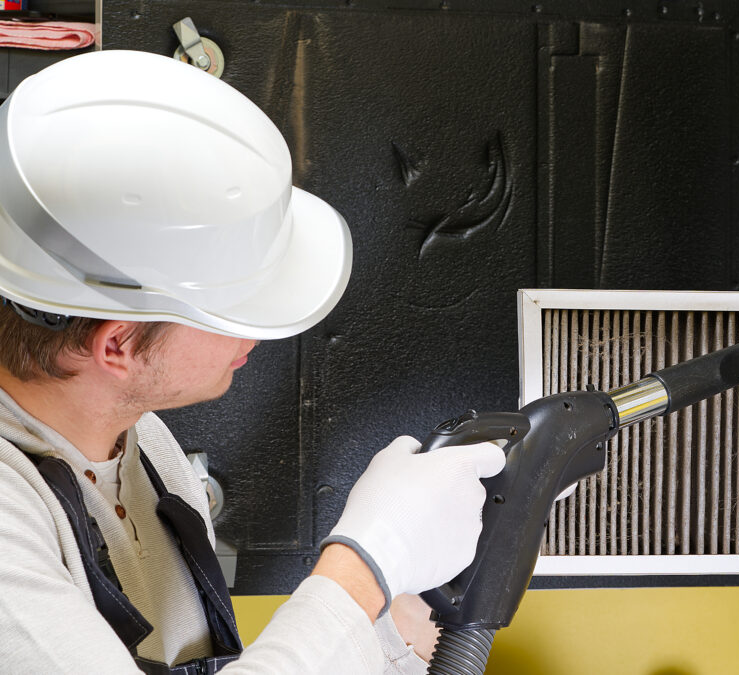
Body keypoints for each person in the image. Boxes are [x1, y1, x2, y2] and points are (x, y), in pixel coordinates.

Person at [0, 49, 506, 673]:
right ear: (118, 345)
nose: (257, 337)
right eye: (232, 309)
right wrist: (362, 566)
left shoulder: (139, 439)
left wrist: (391, 608)